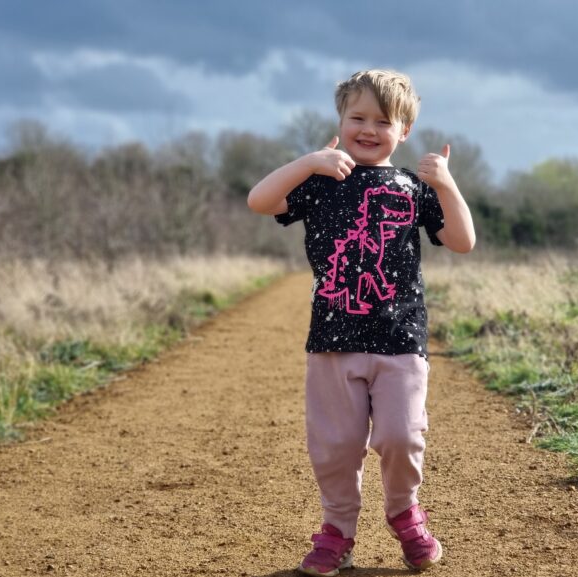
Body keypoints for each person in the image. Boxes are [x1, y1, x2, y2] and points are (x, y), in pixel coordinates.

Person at [247, 69, 475, 575]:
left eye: (383, 120)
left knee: (401, 435)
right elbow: (259, 201)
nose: (369, 129)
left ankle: (404, 512)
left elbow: (462, 241)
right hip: (331, 341)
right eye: (357, 117)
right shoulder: (321, 183)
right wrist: (309, 161)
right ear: (340, 121)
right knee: (335, 445)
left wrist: (446, 182)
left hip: (400, 340)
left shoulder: (414, 188)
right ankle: (338, 532)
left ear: (404, 131)